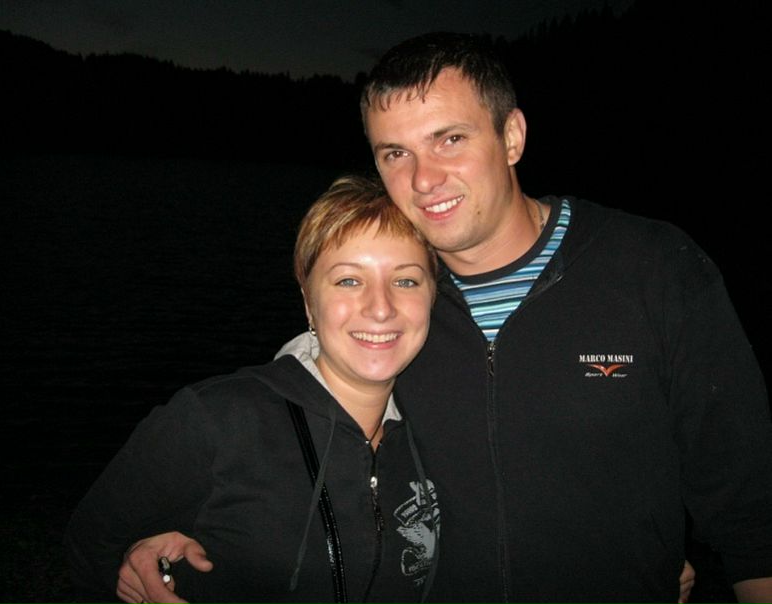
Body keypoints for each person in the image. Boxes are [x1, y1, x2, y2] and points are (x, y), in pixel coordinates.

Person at [114, 32, 772, 603]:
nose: (423, 178)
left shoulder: (652, 267)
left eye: (449, 139)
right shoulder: (401, 307)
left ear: (511, 136)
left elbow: (749, 505)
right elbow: (308, 409)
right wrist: (185, 531)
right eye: (394, 153)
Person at [64, 175, 441, 603]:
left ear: (433, 297)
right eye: (349, 281)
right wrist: (137, 571)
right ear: (308, 302)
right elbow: (92, 549)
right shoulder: (216, 419)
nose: (380, 307)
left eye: (406, 281)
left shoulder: (440, 429)